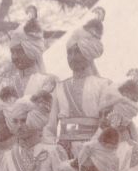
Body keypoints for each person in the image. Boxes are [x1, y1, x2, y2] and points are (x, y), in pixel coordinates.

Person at [46, 13, 111, 160]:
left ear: (89, 53)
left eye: (78, 52)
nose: (73, 57)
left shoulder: (104, 85)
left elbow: (106, 124)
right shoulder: (59, 88)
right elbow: (49, 128)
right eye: (70, 53)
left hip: (94, 154)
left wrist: (90, 149)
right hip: (63, 153)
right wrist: (53, 153)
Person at [6, 11, 57, 101]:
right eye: (12, 52)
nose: (14, 57)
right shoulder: (10, 86)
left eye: (19, 51)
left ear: (32, 50)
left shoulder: (50, 82)